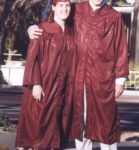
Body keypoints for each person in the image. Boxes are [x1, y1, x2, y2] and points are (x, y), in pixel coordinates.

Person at [27, 0, 129, 150]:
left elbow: (120, 47)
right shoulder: (76, 9)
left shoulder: (114, 16)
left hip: (102, 77)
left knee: (106, 121)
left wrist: (120, 79)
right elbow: (53, 20)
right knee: (80, 119)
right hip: (77, 75)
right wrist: (32, 28)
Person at [15, 0, 77, 149]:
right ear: (54, 8)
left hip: (63, 88)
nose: (65, 9)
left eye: (67, 6)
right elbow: (33, 58)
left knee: (55, 125)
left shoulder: (71, 32)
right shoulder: (42, 29)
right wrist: (36, 83)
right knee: (37, 125)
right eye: (61, 5)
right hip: (44, 84)